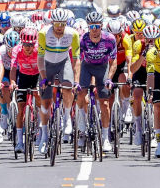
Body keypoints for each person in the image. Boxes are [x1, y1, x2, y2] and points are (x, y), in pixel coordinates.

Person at [37, 8, 79, 154]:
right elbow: (40, 58)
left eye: (62, 24)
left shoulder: (73, 34)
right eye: (57, 24)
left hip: (63, 62)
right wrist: (43, 78)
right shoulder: (43, 33)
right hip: (47, 64)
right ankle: (44, 135)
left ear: (66, 23)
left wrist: (76, 79)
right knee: (46, 102)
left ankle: (67, 118)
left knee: (68, 87)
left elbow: (76, 59)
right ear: (52, 23)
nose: (59, 27)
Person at [76, 12, 117, 152]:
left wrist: (109, 79)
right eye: (91, 26)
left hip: (102, 67)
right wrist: (77, 81)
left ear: (101, 26)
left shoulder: (110, 39)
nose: (94, 29)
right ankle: (82, 125)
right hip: (86, 66)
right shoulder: (82, 39)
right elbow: (78, 61)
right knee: (81, 93)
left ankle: (105, 137)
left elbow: (113, 62)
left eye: (97, 26)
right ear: (88, 27)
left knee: (105, 102)